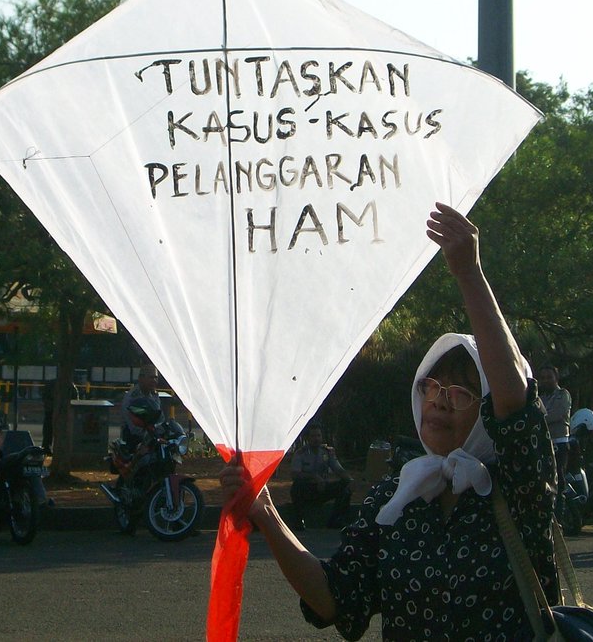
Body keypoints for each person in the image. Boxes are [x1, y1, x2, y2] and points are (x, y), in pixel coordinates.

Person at [220, 203, 557, 639]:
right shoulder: (395, 499)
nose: (439, 402)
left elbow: (516, 403)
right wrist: (264, 512)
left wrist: (468, 273)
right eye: (431, 388)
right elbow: (334, 599)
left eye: (459, 393)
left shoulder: (518, 484)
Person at [288, 424, 353, 530]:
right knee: (296, 487)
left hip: (323, 489)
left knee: (345, 487)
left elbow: (339, 469)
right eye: (313, 436)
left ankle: (336, 520)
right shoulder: (300, 453)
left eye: (318, 436)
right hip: (308, 489)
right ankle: (299, 521)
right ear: (308, 438)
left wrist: (350, 479)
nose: (316, 439)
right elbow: (295, 475)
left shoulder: (327, 452)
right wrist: (314, 477)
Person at [538, 365, 572, 479]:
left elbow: (557, 414)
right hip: (544, 442)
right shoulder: (540, 398)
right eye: (543, 378)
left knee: (558, 475)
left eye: (549, 377)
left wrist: (537, 420)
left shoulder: (563, 394)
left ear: (556, 378)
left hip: (559, 442)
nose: (546, 380)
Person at [120, 364, 161, 447]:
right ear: (141, 379)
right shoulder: (132, 396)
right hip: (133, 438)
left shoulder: (154, 394)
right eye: (151, 377)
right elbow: (132, 423)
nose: (154, 381)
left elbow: (159, 415)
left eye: (155, 377)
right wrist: (148, 435)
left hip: (151, 436)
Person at [42, 377, 80, 451]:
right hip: (62, 413)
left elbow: (45, 398)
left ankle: (47, 448)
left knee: (48, 431)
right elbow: (76, 400)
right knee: (63, 431)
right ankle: (61, 448)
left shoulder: (51, 384)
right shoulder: (70, 386)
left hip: (51, 412)